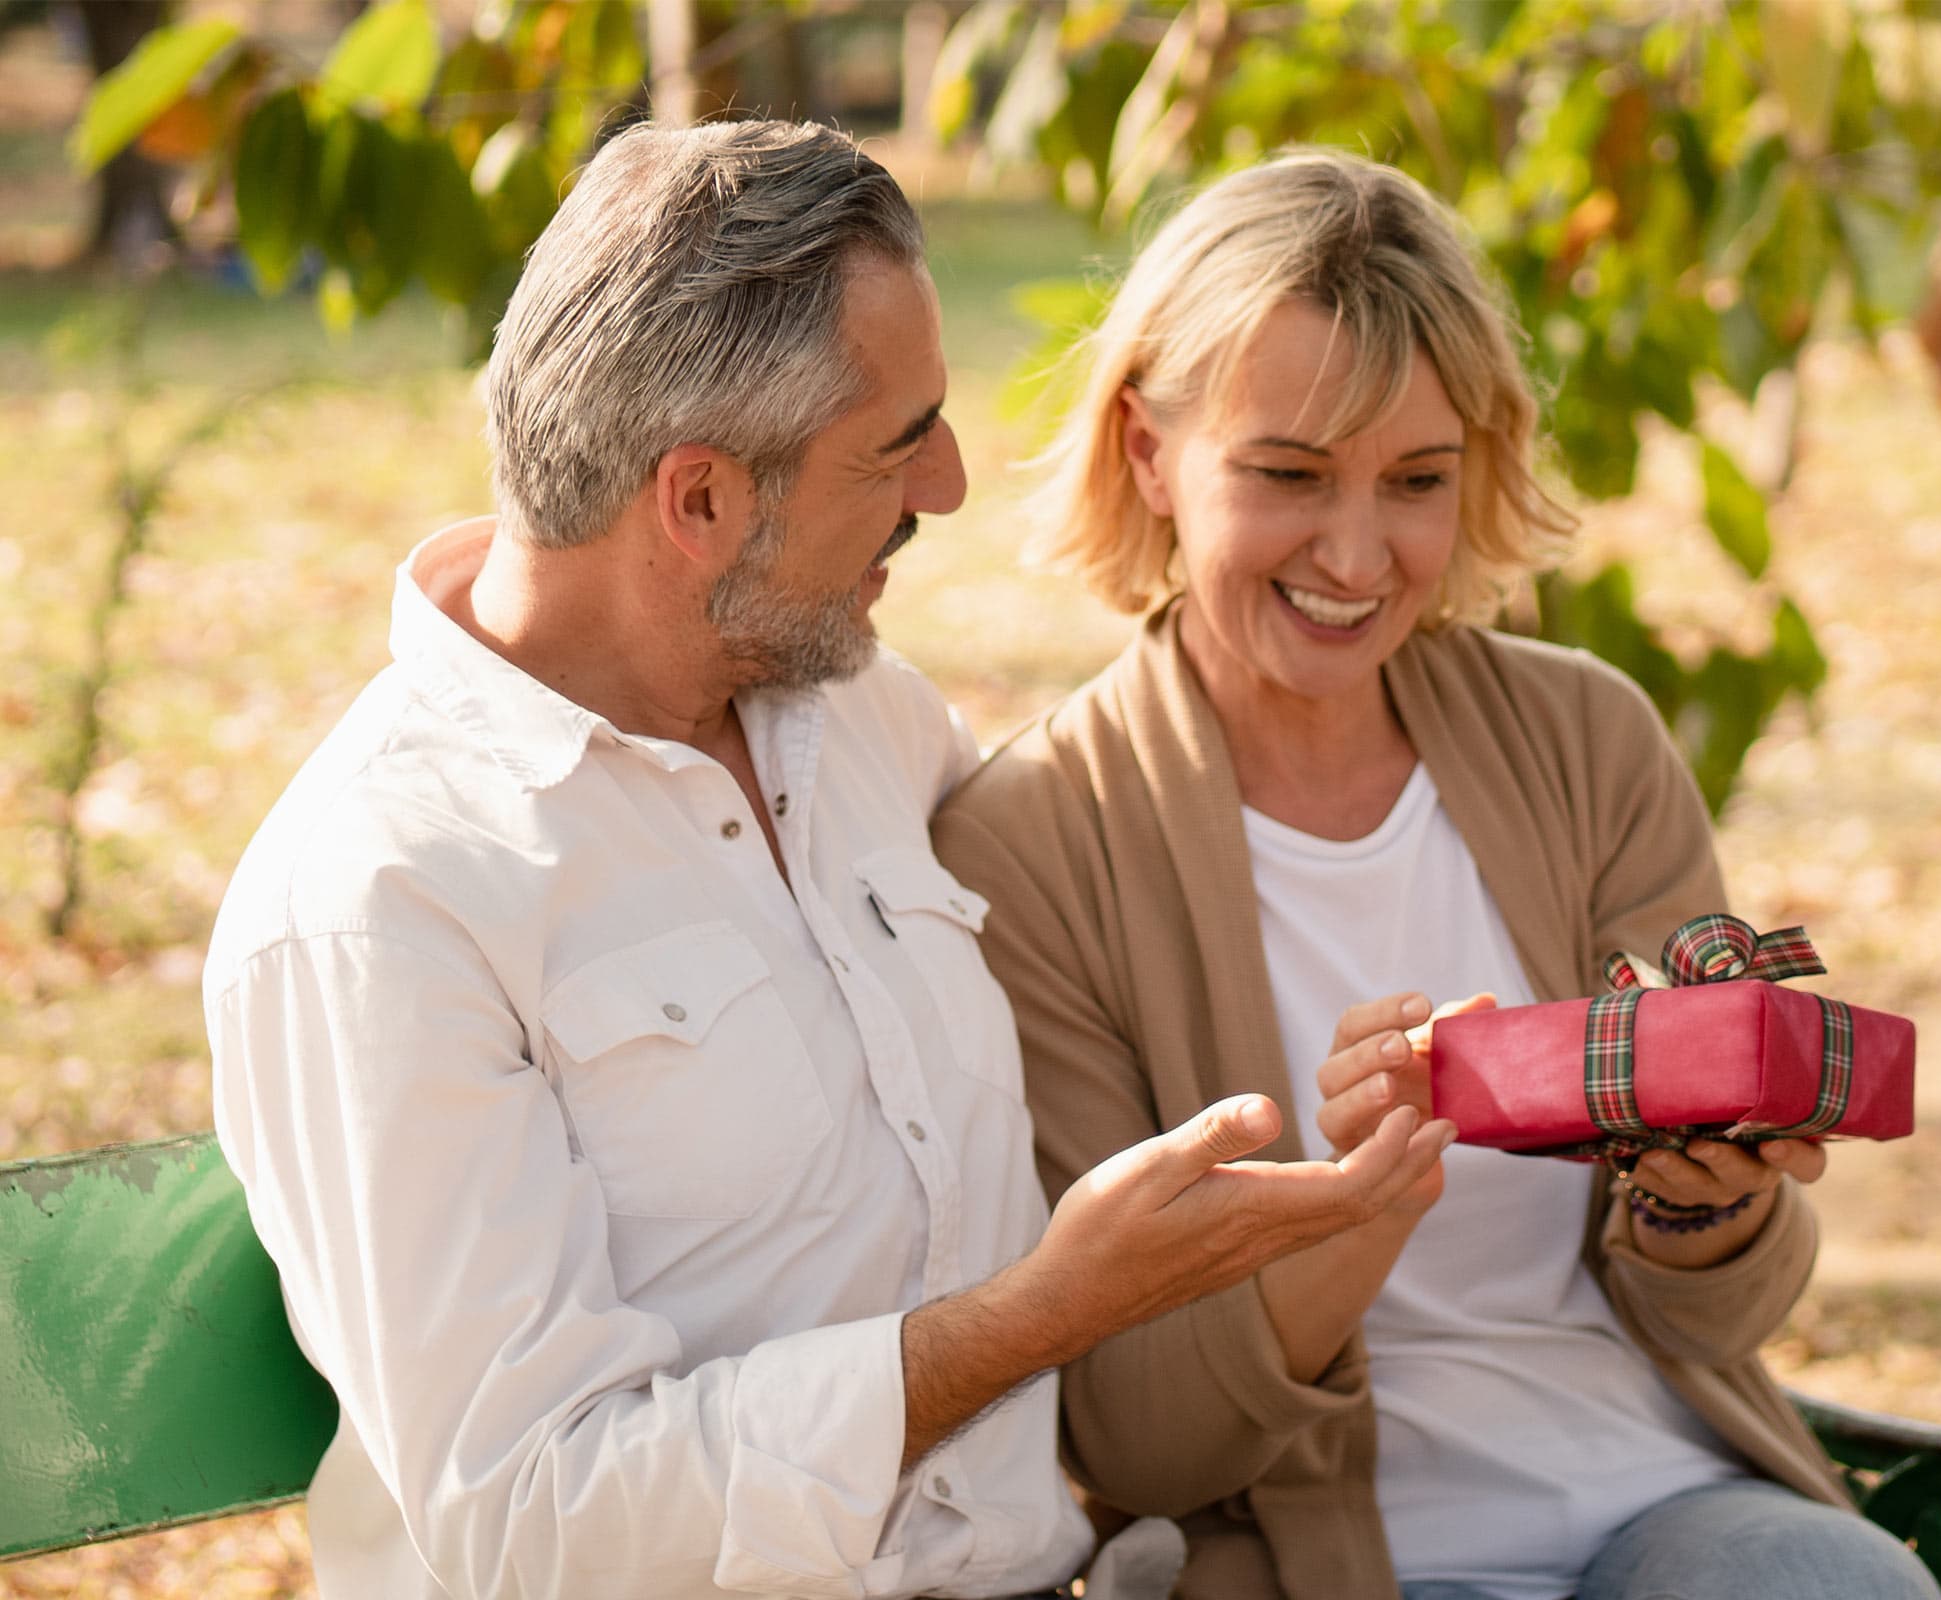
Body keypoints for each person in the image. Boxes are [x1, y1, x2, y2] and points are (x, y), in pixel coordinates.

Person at [204, 122, 1452, 1600]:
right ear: (703, 500)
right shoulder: (383, 900)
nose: (952, 482)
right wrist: (1037, 1317)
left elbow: (1099, 884)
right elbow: (536, 1518)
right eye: (896, 442)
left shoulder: (853, 713)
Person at [930, 150, 1941, 1600]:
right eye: (1287, 476)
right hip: (1333, 1559)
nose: (1358, 554)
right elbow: (1141, 1442)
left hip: (1671, 1504)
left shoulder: (1585, 738)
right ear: (1150, 449)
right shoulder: (1033, 846)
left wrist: (1706, 1197)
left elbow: (1725, 1315)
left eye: (1417, 481)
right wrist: (1351, 1210)